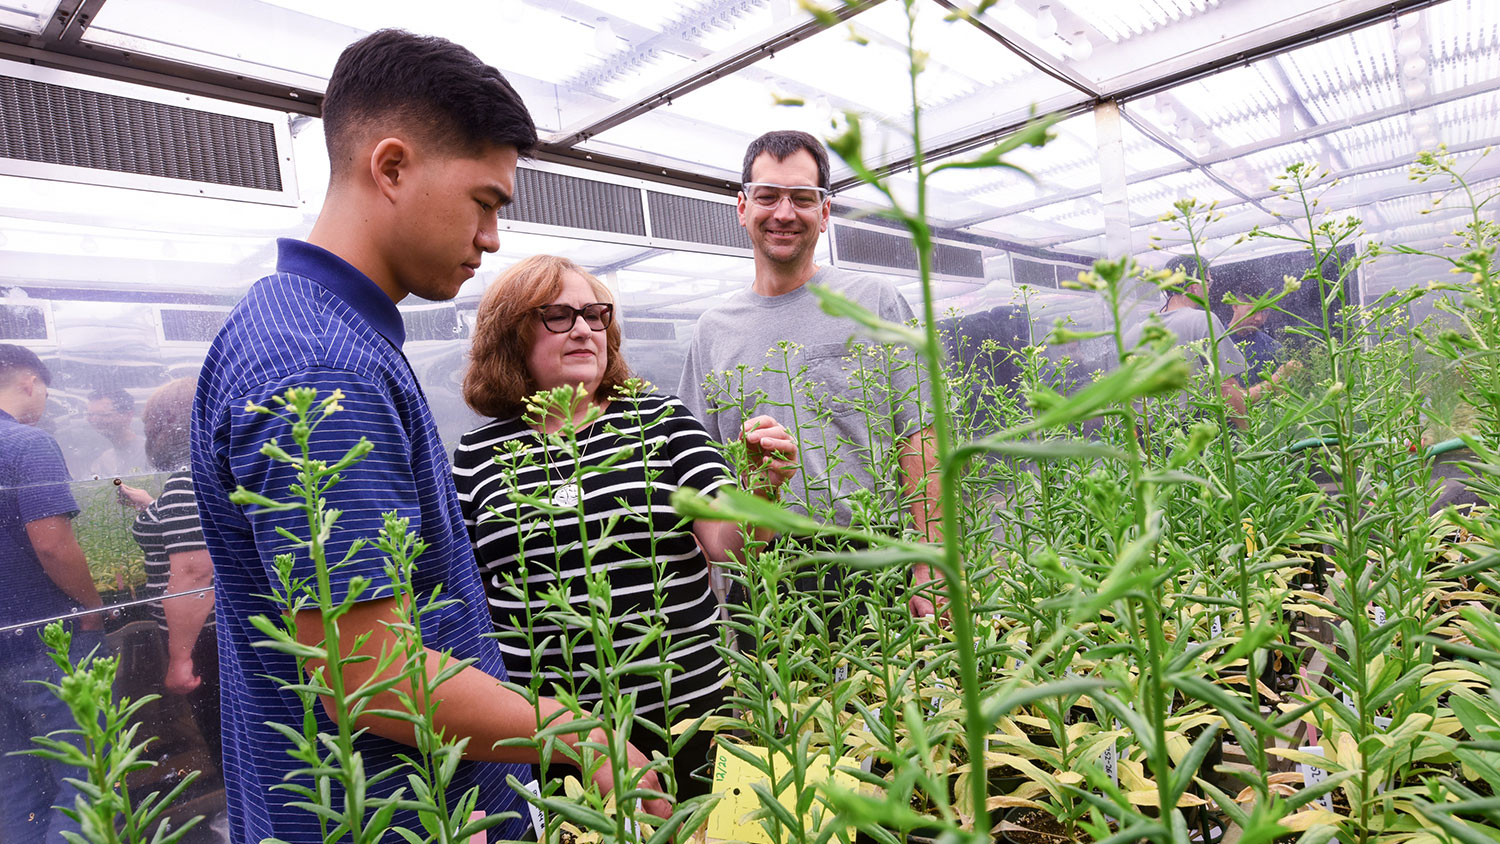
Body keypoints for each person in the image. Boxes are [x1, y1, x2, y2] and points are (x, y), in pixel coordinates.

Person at [187, 30, 665, 844]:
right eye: (484, 201)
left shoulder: (319, 332)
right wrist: (577, 733)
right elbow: (370, 674)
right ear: (393, 166)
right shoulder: (316, 364)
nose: (493, 239)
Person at [453, 255, 797, 799]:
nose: (585, 328)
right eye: (559, 315)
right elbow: (467, 600)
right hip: (556, 738)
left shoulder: (659, 420)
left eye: (595, 314)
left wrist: (762, 489)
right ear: (510, 332)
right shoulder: (475, 455)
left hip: (687, 721)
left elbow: (731, 548)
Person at [675, 130, 942, 617]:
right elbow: (699, 469)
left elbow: (920, 435)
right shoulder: (712, 330)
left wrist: (933, 556)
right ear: (741, 207)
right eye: (767, 196)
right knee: (774, 695)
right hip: (763, 572)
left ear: (824, 213)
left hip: (873, 557)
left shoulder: (872, 301)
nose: (783, 213)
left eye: (802, 198)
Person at [0, 343, 104, 843]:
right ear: (28, 382)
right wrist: (92, 605)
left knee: (15, 786)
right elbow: (53, 545)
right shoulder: (26, 444)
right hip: (45, 641)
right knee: (86, 777)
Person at [119, 378, 220, 768]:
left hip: (204, 638)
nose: (149, 436)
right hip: (216, 631)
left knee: (219, 726)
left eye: (152, 426)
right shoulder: (206, 474)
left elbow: (193, 575)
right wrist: (152, 506)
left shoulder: (186, 484)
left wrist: (180, 659)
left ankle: (240, 819)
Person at [1125, 254, 1249, 423]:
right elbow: (1227, 388)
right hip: (1195, 431)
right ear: (1193, 286)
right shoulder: (1203, 320)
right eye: (1208, 282)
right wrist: (1246, 433)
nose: (1210, 288)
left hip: (1152, 439)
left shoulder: (1135, 333)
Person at [87, 387, 150, 479]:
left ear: (128, 415)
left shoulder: (148, 452)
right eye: (90, 414)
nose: (95, 420)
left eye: (104, 415)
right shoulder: (104, 460)